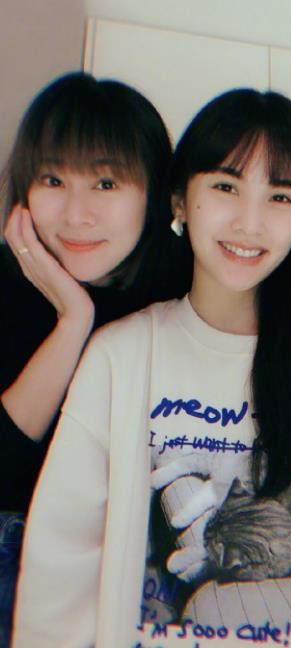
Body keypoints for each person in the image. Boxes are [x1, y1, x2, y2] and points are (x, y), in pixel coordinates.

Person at [14, 89, 291, 648]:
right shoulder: (120, 356)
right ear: (180, 201)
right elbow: (61, 563)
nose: (249, 223)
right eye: (226, 187)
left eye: (279, 196)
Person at [0, 71, 185, 647]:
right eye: (53, 179)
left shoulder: (186, 295)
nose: (76, 215)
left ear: (154, 194)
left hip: (142, 568)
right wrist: (72, 320)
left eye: (106, 183)